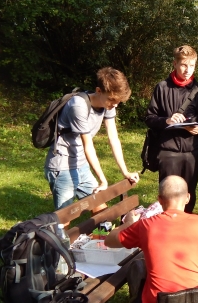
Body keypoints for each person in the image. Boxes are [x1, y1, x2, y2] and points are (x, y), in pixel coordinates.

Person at [105, 176, 198, 303]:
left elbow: (109, 240)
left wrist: (128, 222)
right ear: (188, 198)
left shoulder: (146, 226)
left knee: (138, 266)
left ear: (159, 199)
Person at [44, 67, 139, 211]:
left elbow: (113, 138)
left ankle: (99, 235)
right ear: (99, 90)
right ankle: (58, 234)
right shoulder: (78, 106)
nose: (115, 104)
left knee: (100, 210)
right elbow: (88, 145)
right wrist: (102, 179)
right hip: (62, 166)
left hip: (81, 165)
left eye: (118, 101)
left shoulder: (109, 104)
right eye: (112, 100)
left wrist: (125, 172)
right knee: (65, 217)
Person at [145, 45, 198, 213]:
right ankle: (166, 230)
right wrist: (167, 120)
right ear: (175, 63)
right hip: (168, 151)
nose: (188, 70)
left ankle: (185, 229)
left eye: (192, 65)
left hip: (191, 152)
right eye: (184, 65)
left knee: (188, 194)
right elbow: (150, 118)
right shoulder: (162, 88)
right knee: (168, 195)